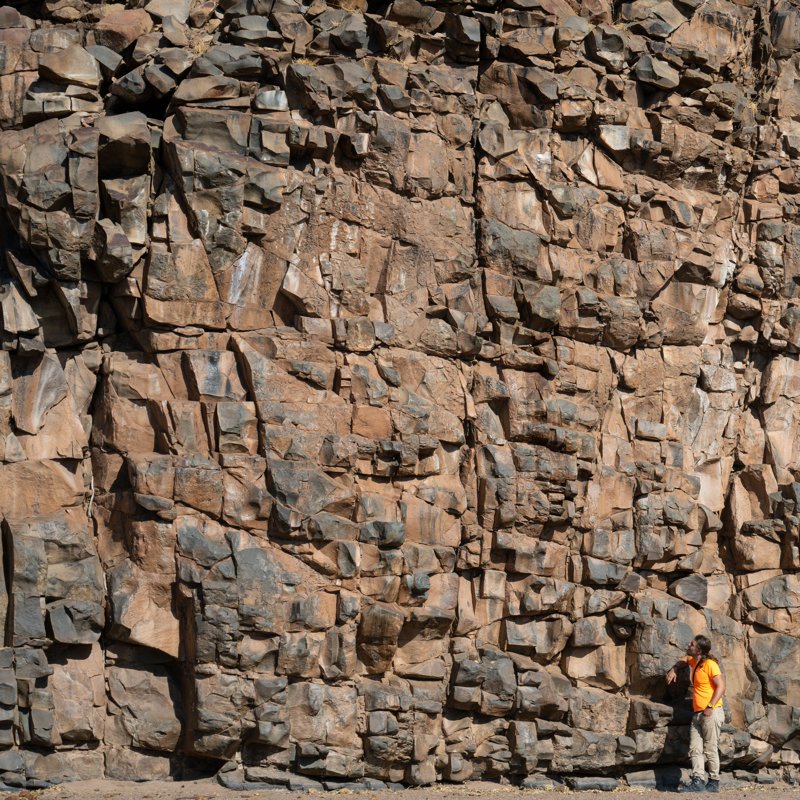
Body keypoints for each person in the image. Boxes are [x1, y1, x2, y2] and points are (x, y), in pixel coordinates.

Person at [666, 634, 726, 793]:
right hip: (697, 714)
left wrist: (710, 706)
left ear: (699, 649)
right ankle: (698, 780)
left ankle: (714, 782)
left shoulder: (710, 664)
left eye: (691, 644)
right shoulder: (696, 661)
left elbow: (721, 686)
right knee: (695, 748)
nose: (688, 645)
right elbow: (685, 659)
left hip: (711, 712)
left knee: (710, 748)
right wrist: (674, 669)